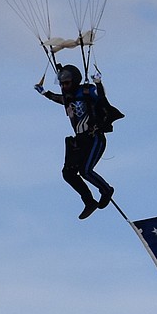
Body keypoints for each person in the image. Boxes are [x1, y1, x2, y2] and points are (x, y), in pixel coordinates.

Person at [34, 64, 116, 218]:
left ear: (75, 80)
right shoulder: (68, 97)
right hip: (80, 141)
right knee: (68, 173)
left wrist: (98, 83)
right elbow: (59, 99)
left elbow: (101, 98)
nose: (64, 86)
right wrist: (45, 93)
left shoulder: (86, 91)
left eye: (67, 83)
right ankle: (89, 201)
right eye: (62, 84)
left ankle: (106, 190)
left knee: (85, 171)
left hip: (94, 137)